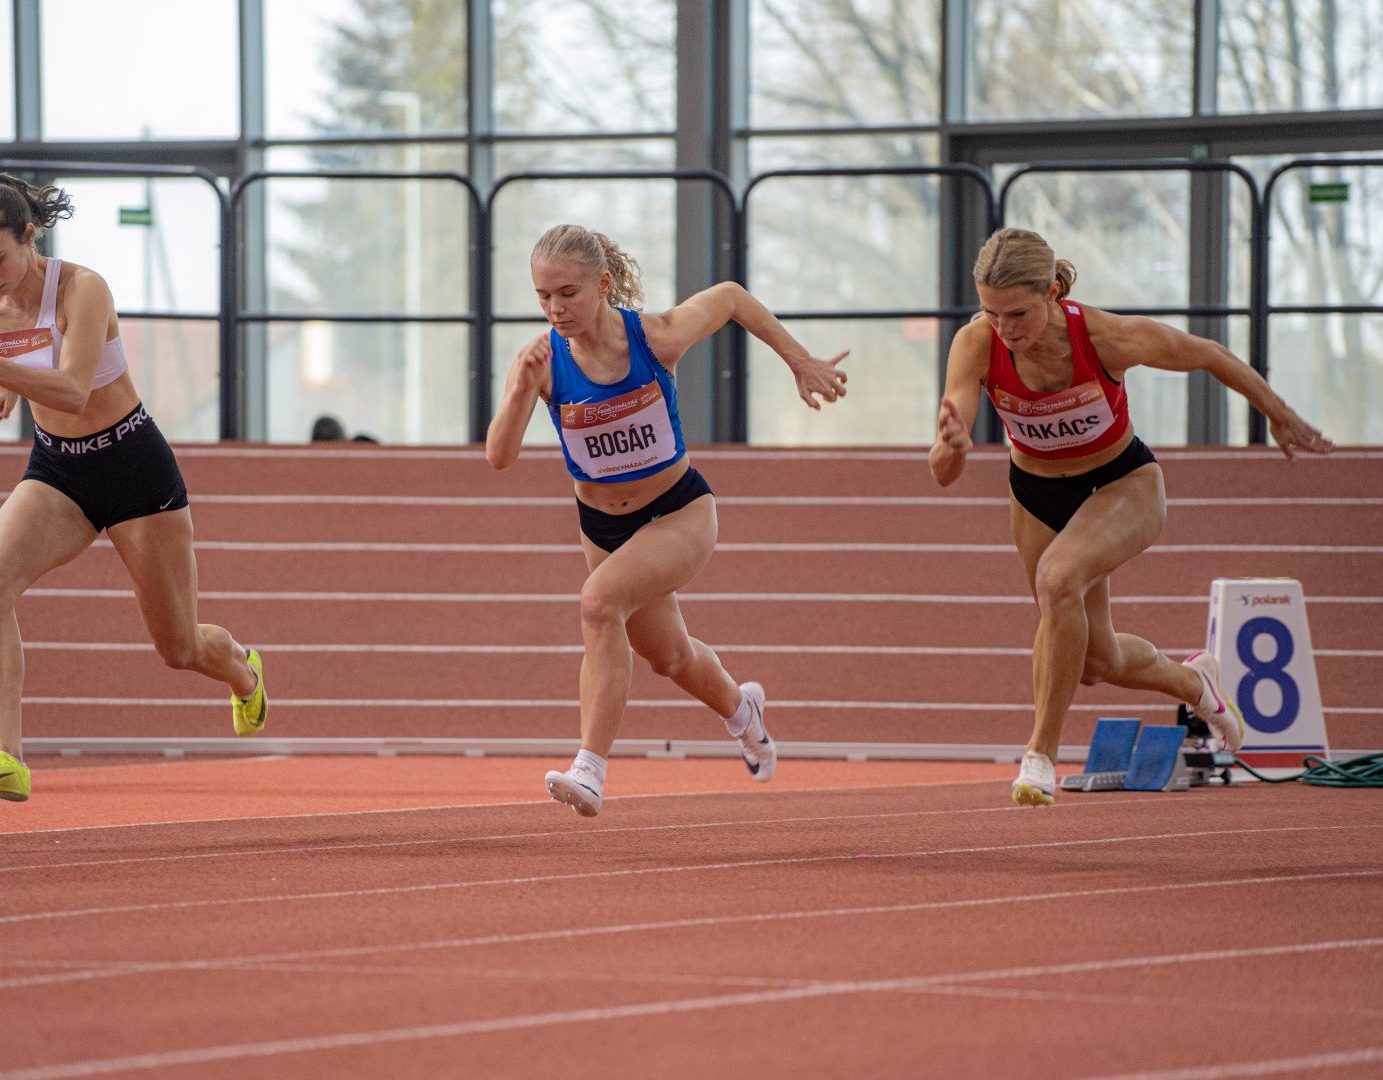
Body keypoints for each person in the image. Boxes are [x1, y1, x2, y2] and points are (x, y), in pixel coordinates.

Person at [930, 227, 1334, 807]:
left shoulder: (1105, 336)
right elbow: (944, 470)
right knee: (1097, 661)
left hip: (1121, 483)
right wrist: (951, 449)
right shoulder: (976, 344)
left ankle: (1040, 754)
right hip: (1035, 494)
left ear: (1050, 290)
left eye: (1017, 312)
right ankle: (1197, 681)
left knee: (1057, 580)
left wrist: (1277, 411)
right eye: (992, 313)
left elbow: (1209, 355)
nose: (1005, 329)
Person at [487, 224, 849, 817]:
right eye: (544, 297)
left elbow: (731, 295)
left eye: (569, 293)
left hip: (679, 511)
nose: (556, 309)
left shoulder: (654, 338)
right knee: (670, 657)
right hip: (602, 529)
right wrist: (520, 392)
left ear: (603, 285)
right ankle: (742, 711)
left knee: (598, 603)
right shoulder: (542, 362)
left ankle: (591, 769)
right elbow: (499, 457)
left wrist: (799, 360)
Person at [0, 173, 268, 802]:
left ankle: (245, 673)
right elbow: (18, 347)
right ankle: (10, 758)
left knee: (179, 647)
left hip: (133, 467)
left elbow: (73, 387)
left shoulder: (83, 289)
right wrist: (9, 378)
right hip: (59, 469)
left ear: (31, 235)